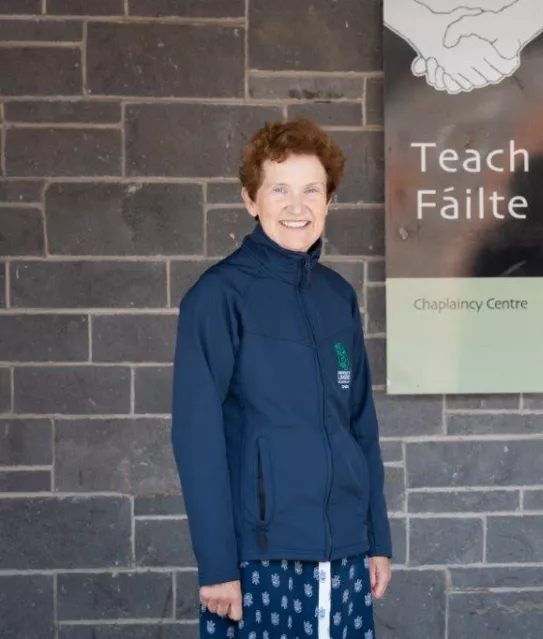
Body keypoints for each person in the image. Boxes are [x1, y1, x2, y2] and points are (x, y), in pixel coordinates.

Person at [171, 117, 392, 639]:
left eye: (311, 190)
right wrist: (217, 565)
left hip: (346, 555)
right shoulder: (218, 297)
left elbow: (360, 426)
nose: (298, 206)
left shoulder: (338, 297)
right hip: (260, 559)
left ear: (329, 200)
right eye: (279, 190)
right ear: (251, 200)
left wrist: (375, 539)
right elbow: (196, 438)